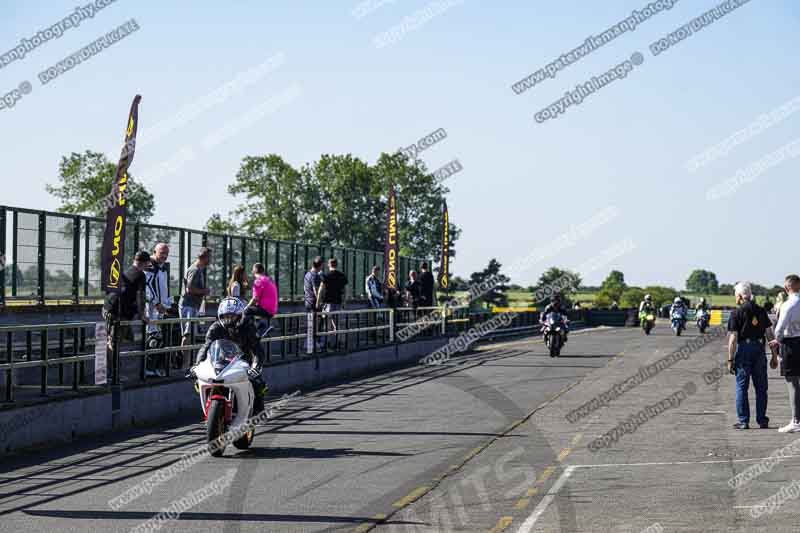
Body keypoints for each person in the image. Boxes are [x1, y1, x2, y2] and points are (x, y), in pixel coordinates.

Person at [191, 297, 266, 414]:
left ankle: (257, 412)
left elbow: (258, 349)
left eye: (232, 316)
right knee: (199, 381)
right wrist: (197, 364)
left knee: (257, 383)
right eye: (226, 316)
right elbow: (206, 347)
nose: (229, 319)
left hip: (243, 362)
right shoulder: (215, 328)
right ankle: (211, 408)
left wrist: (256, 367)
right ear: (221, 316)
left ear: (240, 315)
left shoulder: (248, 326)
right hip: (221, 362)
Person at [727, 282, 778, 430]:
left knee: (742, 387)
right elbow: (770, 335)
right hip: (759, 350)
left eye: (736, 296)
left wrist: (730, 359)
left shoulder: (736, 313)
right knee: (761, 387)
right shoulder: (761, 311)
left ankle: (744, 421)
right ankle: (762, 420)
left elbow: (733, 339)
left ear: (740, 296)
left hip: (743, 350)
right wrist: (774, 356)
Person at [769, 275, 800, 433]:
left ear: (787, 287)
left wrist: (776, 340)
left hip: (791, 344)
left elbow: (779, 328)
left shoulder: (788, 304)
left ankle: (796, 420)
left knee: (792, 383)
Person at [102, 251, 151, 347]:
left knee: (125, 339)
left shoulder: (128, 271)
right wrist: (142, 315)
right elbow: (140, 296)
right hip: (117, 312)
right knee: (114, 342)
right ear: (145, 263)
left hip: (109, 308)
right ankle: (112, 361)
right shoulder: (140, 275)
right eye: (147, 263)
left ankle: (118, 360)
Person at [144, 243, 172, 376]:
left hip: (160, 308)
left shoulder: (163, 267)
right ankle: (148, 368)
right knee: (153, 337)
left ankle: (154, 368)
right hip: (152, 309)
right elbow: (147, 286)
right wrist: (156, 303)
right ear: (155, 252)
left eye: (166, 253)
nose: (164, 256)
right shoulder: (150, 265)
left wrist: (166, 304)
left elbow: (163, 287)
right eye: (162, 253)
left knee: (159, 338)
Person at [179, 248, 211, 349]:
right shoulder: (195, 269)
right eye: (209, 257)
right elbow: (189, 289)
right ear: (204, 257)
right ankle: (184, 363)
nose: (210, 260)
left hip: (193, 305)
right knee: (187, 335)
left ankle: (187, 362)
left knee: (190, 335)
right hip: (189, 305)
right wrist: (204, 291)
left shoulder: (199, 270)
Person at [317, 258, 348, 343]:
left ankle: (329, 342)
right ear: (337, 264)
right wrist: (344, 302)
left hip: (328, 303)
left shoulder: (326, 275)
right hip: (338, 302)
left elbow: (321, 290)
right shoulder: (342, 275)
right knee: (338, 323)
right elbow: (345, 290)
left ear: (329, 265)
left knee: (328, 324)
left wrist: (318, 302)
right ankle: (340, 342)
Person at [245, 263, 278, 337]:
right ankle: (259, 326)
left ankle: (250, 333)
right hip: (272, 310)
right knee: (253, 310)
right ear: (263, 271)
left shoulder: (258, 281)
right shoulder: (269, 280)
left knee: (247, 311)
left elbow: (255, 299)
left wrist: (246, 307)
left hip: (266, 310)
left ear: (254, 271)